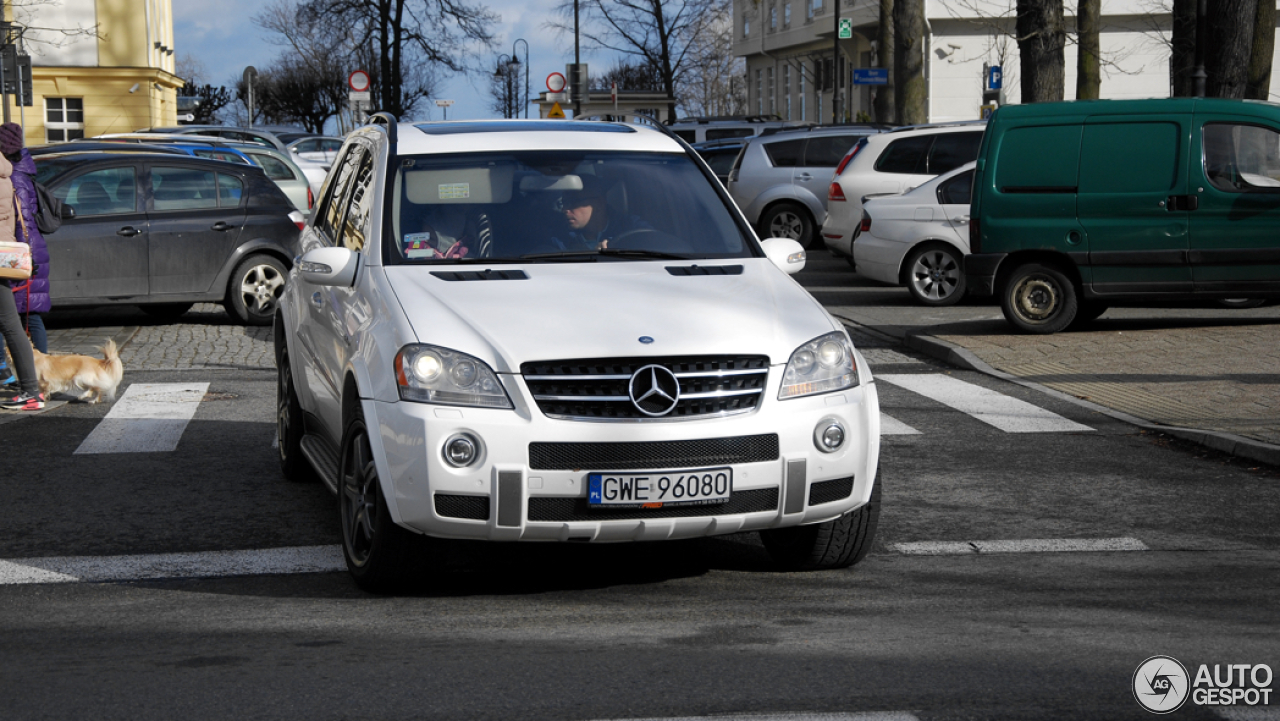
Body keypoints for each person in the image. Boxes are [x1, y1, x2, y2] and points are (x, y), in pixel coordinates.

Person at [0, 144, 43, 411]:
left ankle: (31, 391)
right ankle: (30, 390)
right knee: (9, 323)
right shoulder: (5, 175)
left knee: (9, 323)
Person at [1, 122, 50, 353]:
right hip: (26, 248)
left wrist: (22, 256)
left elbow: (23, 222)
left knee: (28, 313)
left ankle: (38, 369)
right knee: (26, 312)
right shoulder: (21, 171)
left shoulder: (14, 178)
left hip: (20, 250)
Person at [554, 176, 650, 250]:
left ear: (599, 203)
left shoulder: (629, 226)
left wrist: (621, 248)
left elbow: (654, 242)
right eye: (564, 203)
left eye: (574, 202)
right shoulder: (557, 236)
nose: (565, 209)